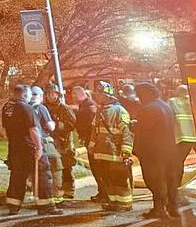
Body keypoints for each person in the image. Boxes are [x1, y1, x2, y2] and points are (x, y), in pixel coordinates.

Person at [131, 82, 179, 219]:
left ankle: (159, 209)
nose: (138, 98)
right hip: (169, 149)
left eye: (139, 94)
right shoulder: (166, 106)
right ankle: (172, 206)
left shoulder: (149, 109)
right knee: (170, 179)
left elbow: (144, 129)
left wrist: (133, 125)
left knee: (155, 180)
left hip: (152, 152)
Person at [90, 81, 135, 211]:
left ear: (107, 95)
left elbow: (127, 132)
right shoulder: (100, 110)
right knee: (108, 178)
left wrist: (126, 151)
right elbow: (95, 130)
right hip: (102, 152)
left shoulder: (119, 111)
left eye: (99, 94)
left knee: (119, 179)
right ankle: (114, 202)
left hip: (116, 152)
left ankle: (125, 203)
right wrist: (92, 147)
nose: (96, 96)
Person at [1, 81, 41, 214]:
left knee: (17, 176)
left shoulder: (7, 107)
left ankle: (13, 205)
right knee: (42, 172)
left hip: (14, 146)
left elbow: (7, 129)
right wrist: (39, 147)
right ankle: (46, 204)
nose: (31, 98)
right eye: (30, 95)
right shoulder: (26, 107)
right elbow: (33, 129)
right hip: (27, 146)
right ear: (24, 95)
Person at [28, 86, 63, 213]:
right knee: (53, 169)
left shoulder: (23, 108)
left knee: (34, 173)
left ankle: (38, 198)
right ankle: (52, 200)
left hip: (27, 145)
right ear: (41, 96)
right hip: (43, 143)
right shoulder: (41, 108)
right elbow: (50, 127)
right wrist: (54, 123)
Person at [44, 83, 79, 202]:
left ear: (57, 94)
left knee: (66, 167)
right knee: (53, 168)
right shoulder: (43, 108)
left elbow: (72, 124)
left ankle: (69, 190)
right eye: (49, 94)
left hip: (64, 143)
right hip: (50, 142)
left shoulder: (64, 108)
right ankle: (55, 191)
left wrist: (58, 125)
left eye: (53, 93)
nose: (51, 96)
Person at [168, 83, 196, 199]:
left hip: (183, 137)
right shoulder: (195, 100)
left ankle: (177, 185)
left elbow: (168, 117)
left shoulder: (172, 101)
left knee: (177, 163)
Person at [71, 85, 102, 202]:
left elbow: (92, 125)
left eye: (73, 95)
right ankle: (102, 192)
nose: (72, 98)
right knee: (95, 167)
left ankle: (103, 192)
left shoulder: (89, 106)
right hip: (89, 140)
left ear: (78, 94)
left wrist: (87, 138)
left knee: (97, 167)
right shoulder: (85, 105)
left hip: (92, 141)